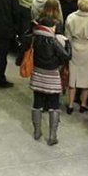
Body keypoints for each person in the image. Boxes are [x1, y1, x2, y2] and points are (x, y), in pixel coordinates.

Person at [27, 17, 72, 145]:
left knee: (37, 102)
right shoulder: (52, 40)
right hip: (52, 75)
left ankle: (37, 132)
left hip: (37, 73)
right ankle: (52, 136)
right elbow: (67, 56)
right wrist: (68, 44)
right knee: (54, 105)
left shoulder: (34, 37)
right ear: (50, 27)